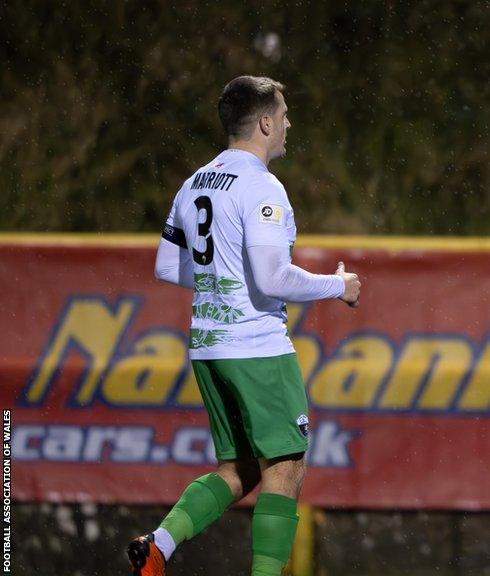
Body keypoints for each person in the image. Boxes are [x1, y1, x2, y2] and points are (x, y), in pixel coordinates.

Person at [127, 75, 361, 576]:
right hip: (256, 347)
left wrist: (222, 279)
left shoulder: (194, 183)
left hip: (208, 345)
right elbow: (274, 278)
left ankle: (159, 546)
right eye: (284, 114)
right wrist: (337, 287)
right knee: (287, 466)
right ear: (265, 122)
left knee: (240, 469)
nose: (289, 124)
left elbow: (168, 267)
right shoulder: (261, 186)